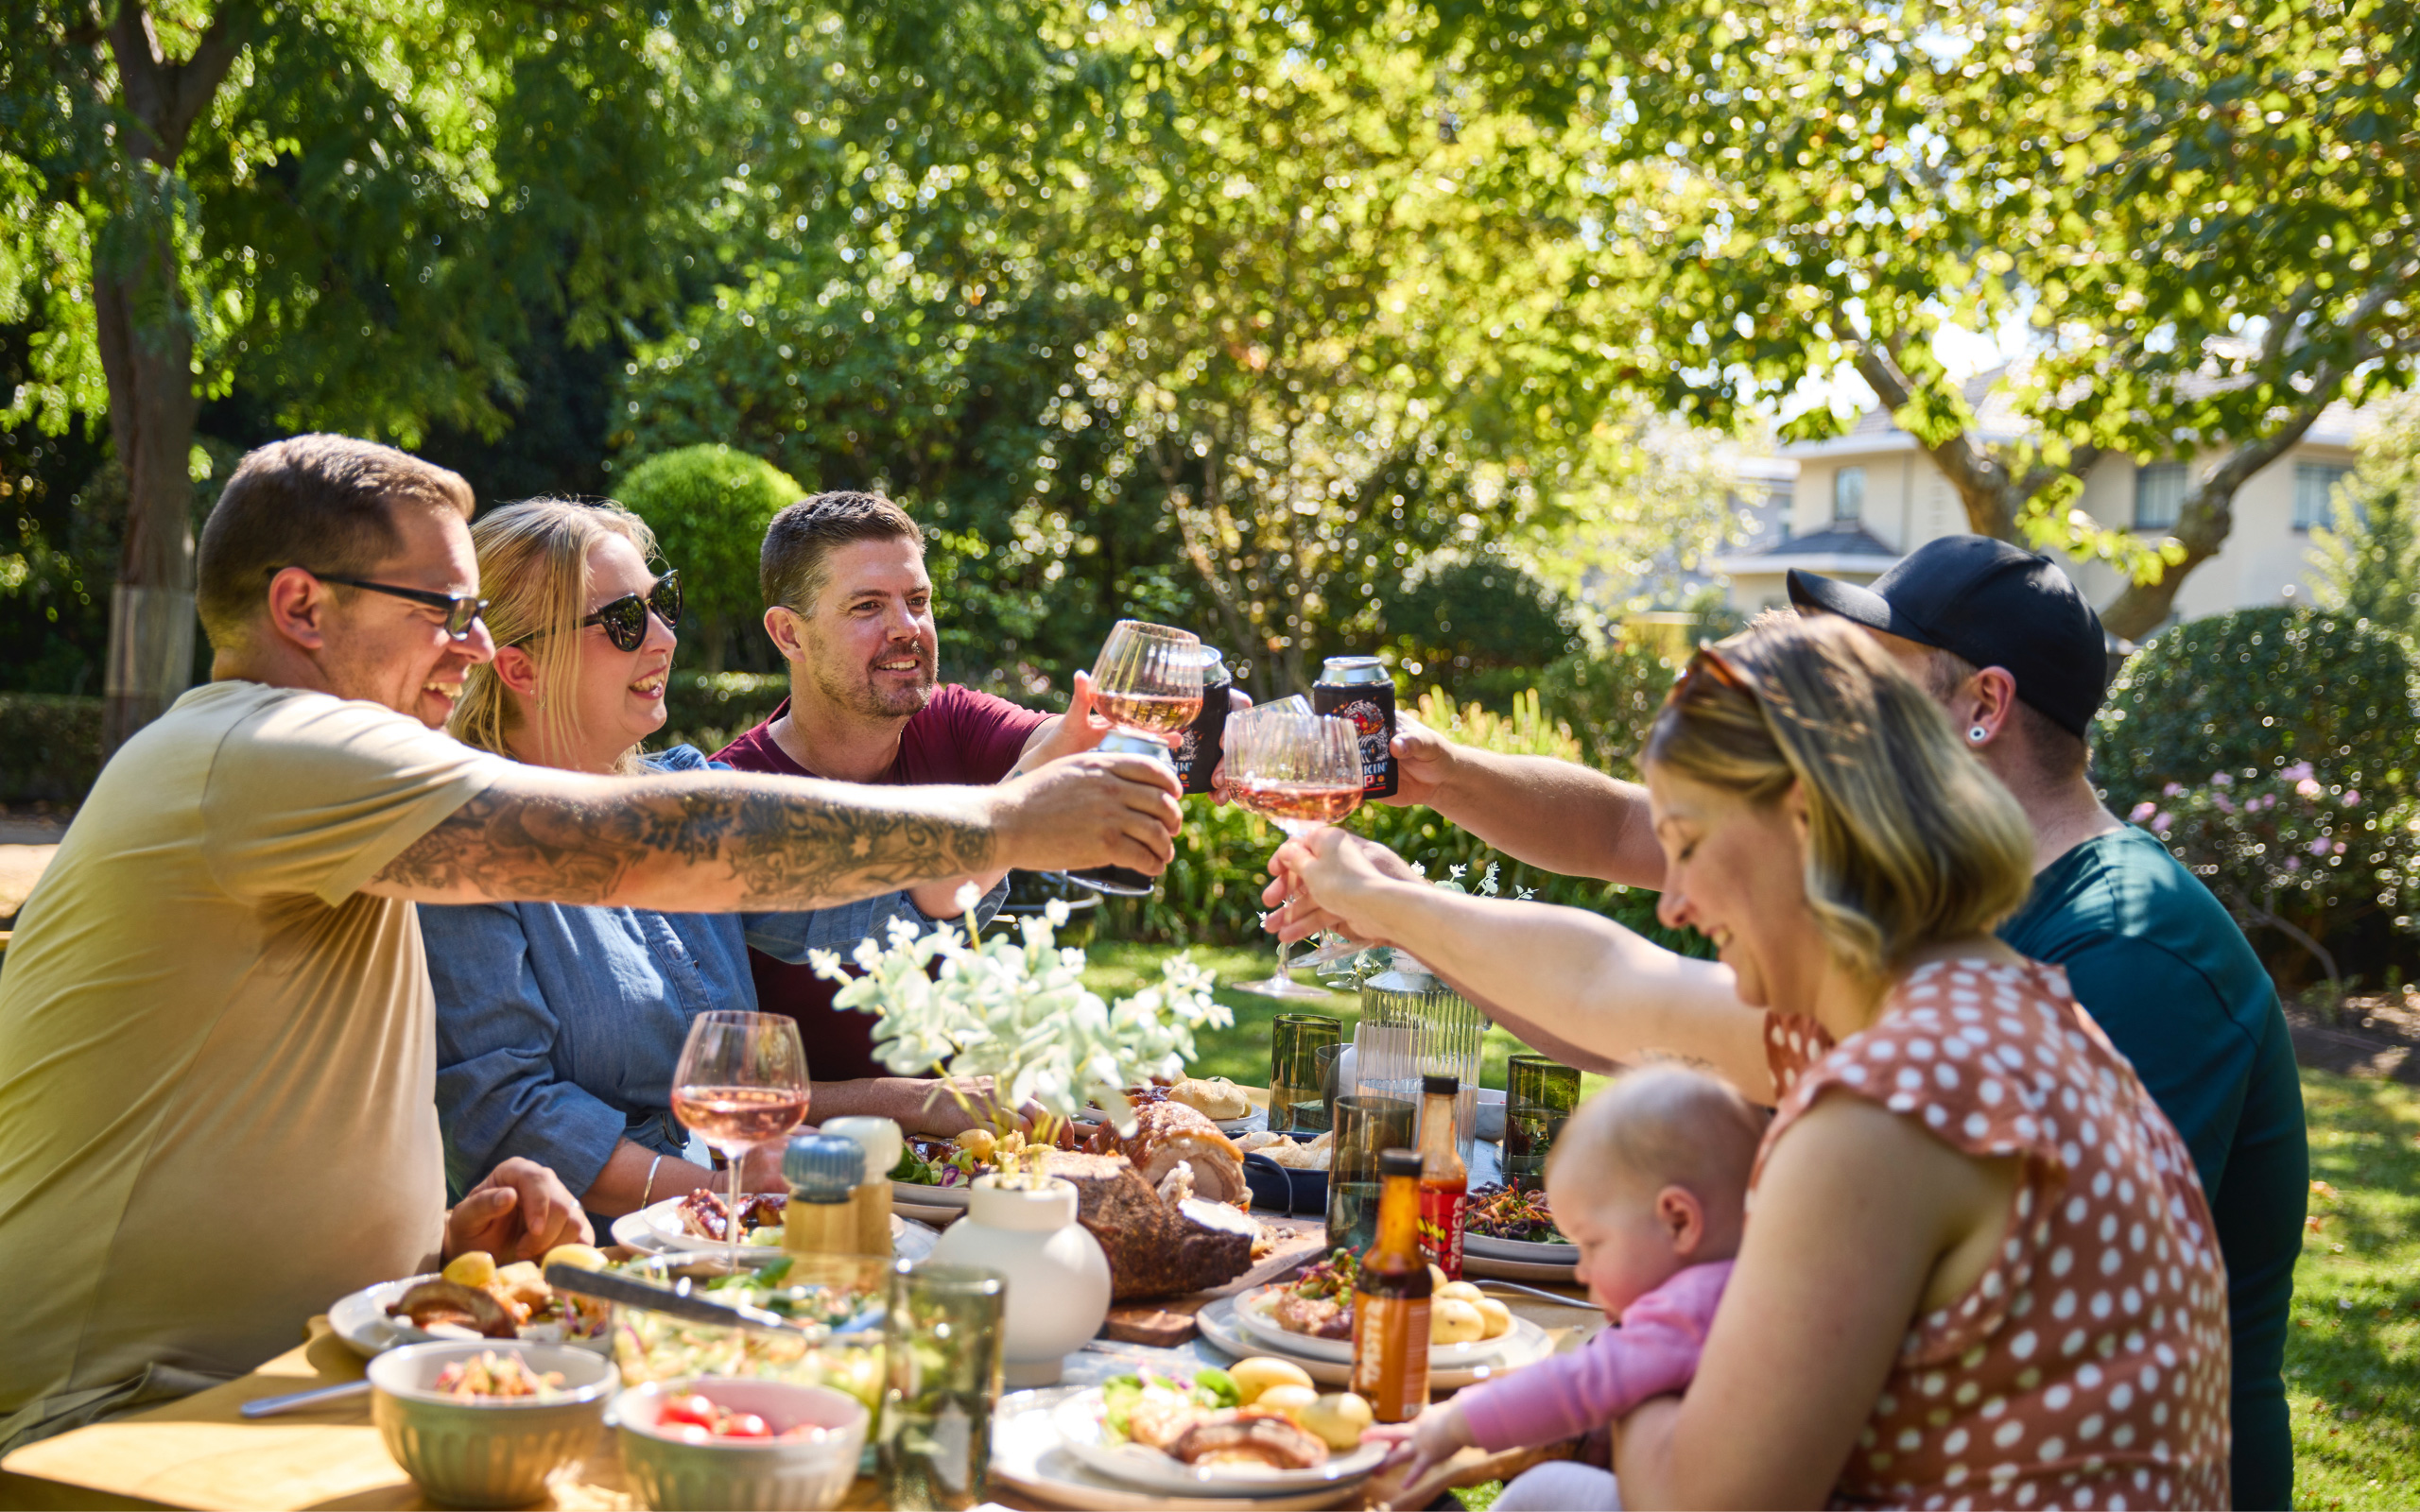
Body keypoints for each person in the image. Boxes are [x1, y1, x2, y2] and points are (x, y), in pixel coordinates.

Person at [0, 436, 1180, 1452]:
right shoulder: (272, 746)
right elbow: (637, 846)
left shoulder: (312, 777)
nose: (470, 651)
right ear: (302, 608)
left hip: (343, 1364)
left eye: (477, 616)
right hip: (134, 1415)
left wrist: (440, 1238)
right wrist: (1010, 818)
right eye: (443, 614)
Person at [1318, 537, 2303, 1508]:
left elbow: (1710, 1494)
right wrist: (1403, 905)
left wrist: (1618, 1364)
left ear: (1806, 821)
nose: (1672, 900)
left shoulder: (1901, 1096)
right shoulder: (1989, 1001)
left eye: (1693, 847)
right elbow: (1620, 996)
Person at [423, 499, 1014, 1238]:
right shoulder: (464, 843)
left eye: (661, 601)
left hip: (726, 1226)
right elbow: (507, 1117)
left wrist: (1026, 819)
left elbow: (863, 926)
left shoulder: (682, 792)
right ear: (520, 668)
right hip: (584, 1260)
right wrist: (728, 1189)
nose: (667, 638)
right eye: (625, 622)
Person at [712, 490, 1244, 1085]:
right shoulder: (732, 797)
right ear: (789, 635)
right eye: (867, 607)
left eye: (918, 601)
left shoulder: (952, 719)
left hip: (967, 1146)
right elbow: (719, 1092)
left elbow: (1065, 743)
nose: (906, 629)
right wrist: (912, 1103)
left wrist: (1208, 729)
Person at [1373, 1065, 1762, 1512]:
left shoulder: (1689, 1307)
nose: (1583, 1270)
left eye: (1593, 1244)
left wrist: (1452, 1425)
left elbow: (1577, 1386)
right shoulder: (1748, 1282)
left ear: (1679, 1220)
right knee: (1548, 1485)